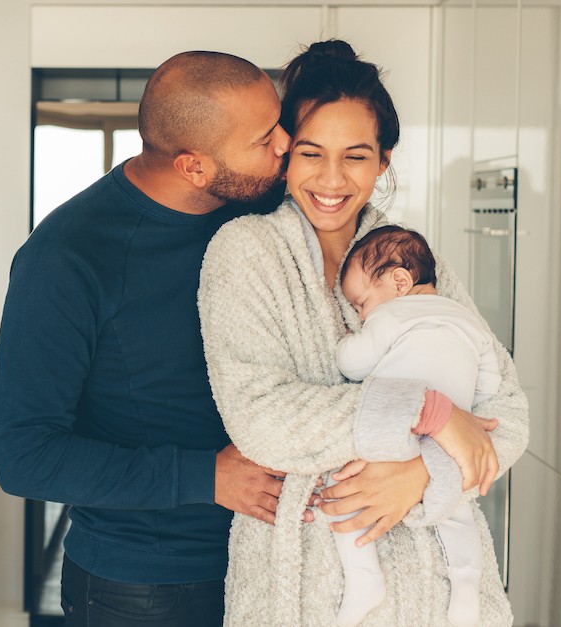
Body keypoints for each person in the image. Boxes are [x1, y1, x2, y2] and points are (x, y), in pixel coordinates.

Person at [198, 40, 529, 626]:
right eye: (310, 153)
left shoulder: (412, 261)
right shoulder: (245, 253)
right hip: (303, 584)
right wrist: (434, 415)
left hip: (437, 591)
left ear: (384, 160)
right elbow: (261, 419)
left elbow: (507, 413)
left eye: (355, 156)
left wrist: (424, 472)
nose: (331, 179)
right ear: (284, 156)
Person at [0, 51, 293, 626]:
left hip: (275, 565)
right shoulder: (64, 258)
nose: (285, 143)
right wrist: (208, 477)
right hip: (147, 589)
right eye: (264, 138)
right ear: (193, 167)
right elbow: (24, 456)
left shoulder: (256, 208)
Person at [334, 224, 504, 627]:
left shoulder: (391, 315)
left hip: (398, 425)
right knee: (458, 512)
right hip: (449, 443)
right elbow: (492, 383)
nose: (361, 313)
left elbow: (352, 364)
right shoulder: (468, 319)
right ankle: (466, 590)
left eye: (360, 303)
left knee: (340, 487)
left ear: (399, 281)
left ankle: (364, 577)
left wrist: (345, 342)